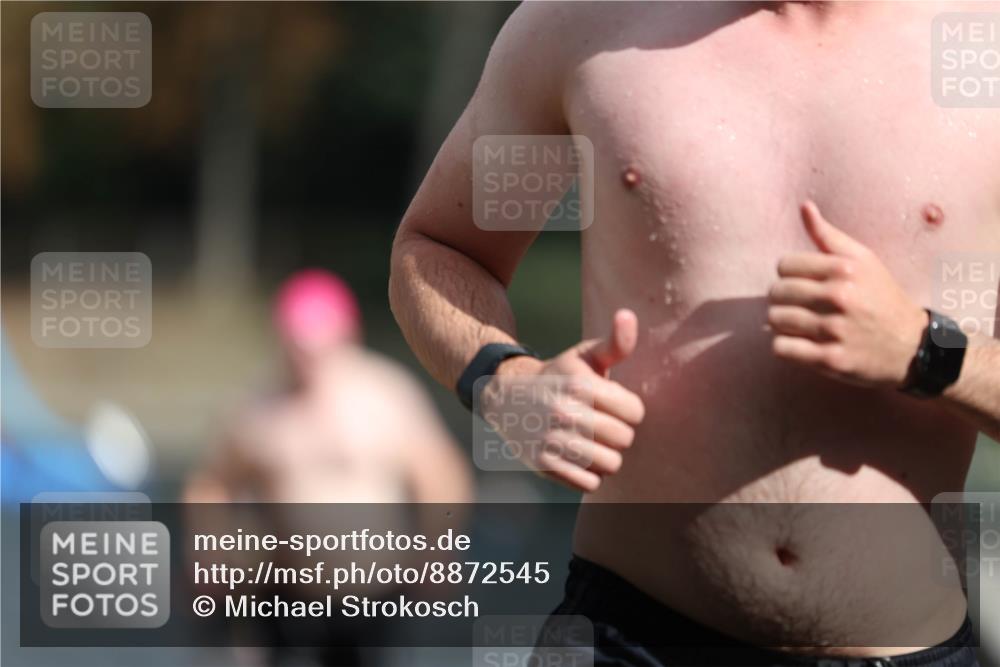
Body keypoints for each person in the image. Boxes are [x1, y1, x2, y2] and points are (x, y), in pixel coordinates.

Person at [388, 3, 1000, 666]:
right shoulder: (585, 24)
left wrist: (928, 353)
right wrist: (503, 381)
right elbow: (438, 248)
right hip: (629, 639)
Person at [186, 269, 472, 666]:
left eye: (319, 346)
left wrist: (436, 549)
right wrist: (210, 548)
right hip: (287, 595)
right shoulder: (258, 409)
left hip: (375, 595)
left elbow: (441, 476)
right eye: (297, 347)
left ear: (347, 336)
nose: (308, 360)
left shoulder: (386, 396)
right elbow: (211, 483)